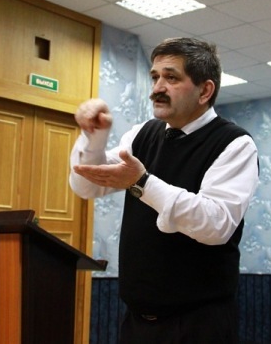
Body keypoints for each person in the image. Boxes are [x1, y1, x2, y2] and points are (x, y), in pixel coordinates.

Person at [69, 37, 259, 343]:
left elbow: (216, 225)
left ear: (205, 91)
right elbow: (87, 185)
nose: (157, 88)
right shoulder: (143, 133)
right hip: (136, 321)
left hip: (198, 325)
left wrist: (142, 182)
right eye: (155, 77)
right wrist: (94, 138)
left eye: (171, 78)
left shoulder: (234, 144)